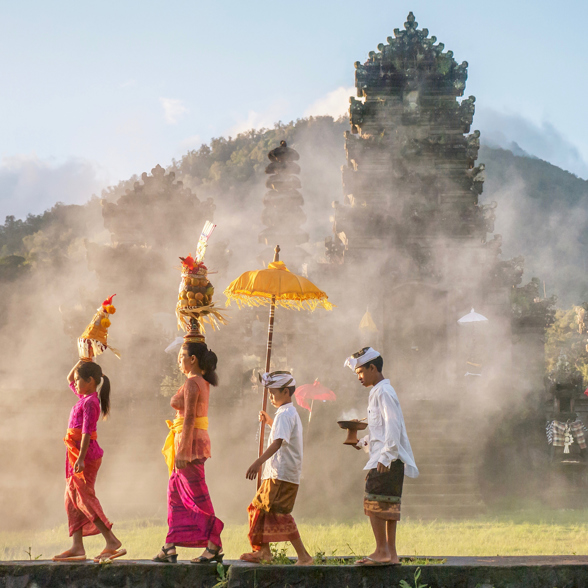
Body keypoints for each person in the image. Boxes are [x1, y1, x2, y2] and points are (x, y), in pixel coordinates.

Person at [344, 347, 419, 566]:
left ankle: (381, 551)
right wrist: (363, 442)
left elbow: (393, 426)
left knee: (373, 500)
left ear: (373, 368)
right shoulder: (377, 392)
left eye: (360, 372)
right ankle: (390, 554)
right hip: (387, 457)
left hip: (388, 460)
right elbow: (381, 430)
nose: (358, 377)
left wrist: (386, 456)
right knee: (387, 504)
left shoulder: (384, 392)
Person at [153, 341, 224, 564]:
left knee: (196, 495)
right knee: (175, 495)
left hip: (189, 445)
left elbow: (190, 418)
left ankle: (214, 545)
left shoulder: (193, 383)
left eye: (181, 355)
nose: (178, 360)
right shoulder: (198, 382)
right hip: (187, 442)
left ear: (193, 359)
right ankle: (169, 546)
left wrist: (183, 452)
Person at [52, 360, 125, 563]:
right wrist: (82, 359)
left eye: (78, 381)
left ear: (90, 381)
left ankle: (111, 541)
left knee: (84, 497)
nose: (74, 384)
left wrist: (82, 458)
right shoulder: (83, 397)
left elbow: (86, 432)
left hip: (86, 455)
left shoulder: (91, 402)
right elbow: (68, 378)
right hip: (74, 453)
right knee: (71, 498)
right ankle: (77, 546)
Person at [240, 371, 313, 565]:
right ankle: (264, 552)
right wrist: (269, 421)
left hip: (280, 475)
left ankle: (304, 556)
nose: (270, 397)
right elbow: (282, 435)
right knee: (260, 509)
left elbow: (278, 442)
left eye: (273, 393)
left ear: (286, 392)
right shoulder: (286, 414)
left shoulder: (286, 414)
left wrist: (258, 462)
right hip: (277, 473)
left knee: (278, 514)